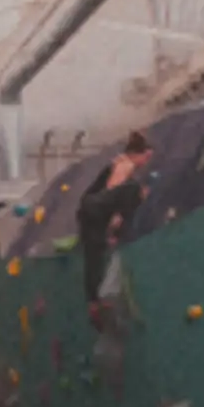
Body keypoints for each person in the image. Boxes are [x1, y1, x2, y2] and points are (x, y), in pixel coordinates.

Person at [77, 131, 153, 330]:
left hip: (88, 210)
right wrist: (120, 215)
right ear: (140, 154)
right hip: (96, 206)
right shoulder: (125, 164)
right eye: (146, 157)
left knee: (93, 255)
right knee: (135, 190)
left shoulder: (117, 163)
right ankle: (118, 232)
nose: (146, 162)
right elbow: (112, 189)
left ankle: (93, 302)